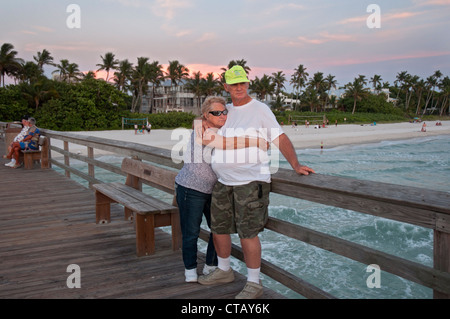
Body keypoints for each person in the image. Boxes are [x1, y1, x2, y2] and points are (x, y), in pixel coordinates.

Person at [197, 65, 315, 299]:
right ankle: (223, 270)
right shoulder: (225, 111)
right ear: (226, 86)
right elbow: (205, 128)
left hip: (250, 183)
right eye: (233, 83)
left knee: (247, 233)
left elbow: (279, 137)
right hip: (223, 182)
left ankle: (253, 283)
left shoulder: (260, 109)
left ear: (247, 84)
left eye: (242, 83)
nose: (239, 87)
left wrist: (295, 165)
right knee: (218, 229)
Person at [175, 96, 268, 283]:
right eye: (215, 113)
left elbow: (232, 138)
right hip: (191, 188)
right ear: (205, 115)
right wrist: (255, 141)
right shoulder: (203, 130)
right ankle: (190, 271)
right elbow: (224, 144)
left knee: (218, 230)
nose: (221, 115)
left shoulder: (224, 128)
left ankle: (211, 266)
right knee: (191, 232)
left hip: (214, 189)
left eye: (224, 111)